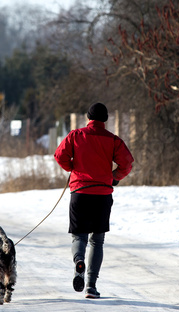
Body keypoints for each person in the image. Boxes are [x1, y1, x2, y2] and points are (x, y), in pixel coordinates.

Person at [54, 102, 134, 299]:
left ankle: (79, 261)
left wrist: (73, 167)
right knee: (97, 241)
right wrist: (114, 177)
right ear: (105, 120)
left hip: (80, 192)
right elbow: (128, 162)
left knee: (78, 237)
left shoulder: (75, 135)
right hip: (102, 195)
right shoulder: (112, 140)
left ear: (88, 118)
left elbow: (59, 156)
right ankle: (90, 285)